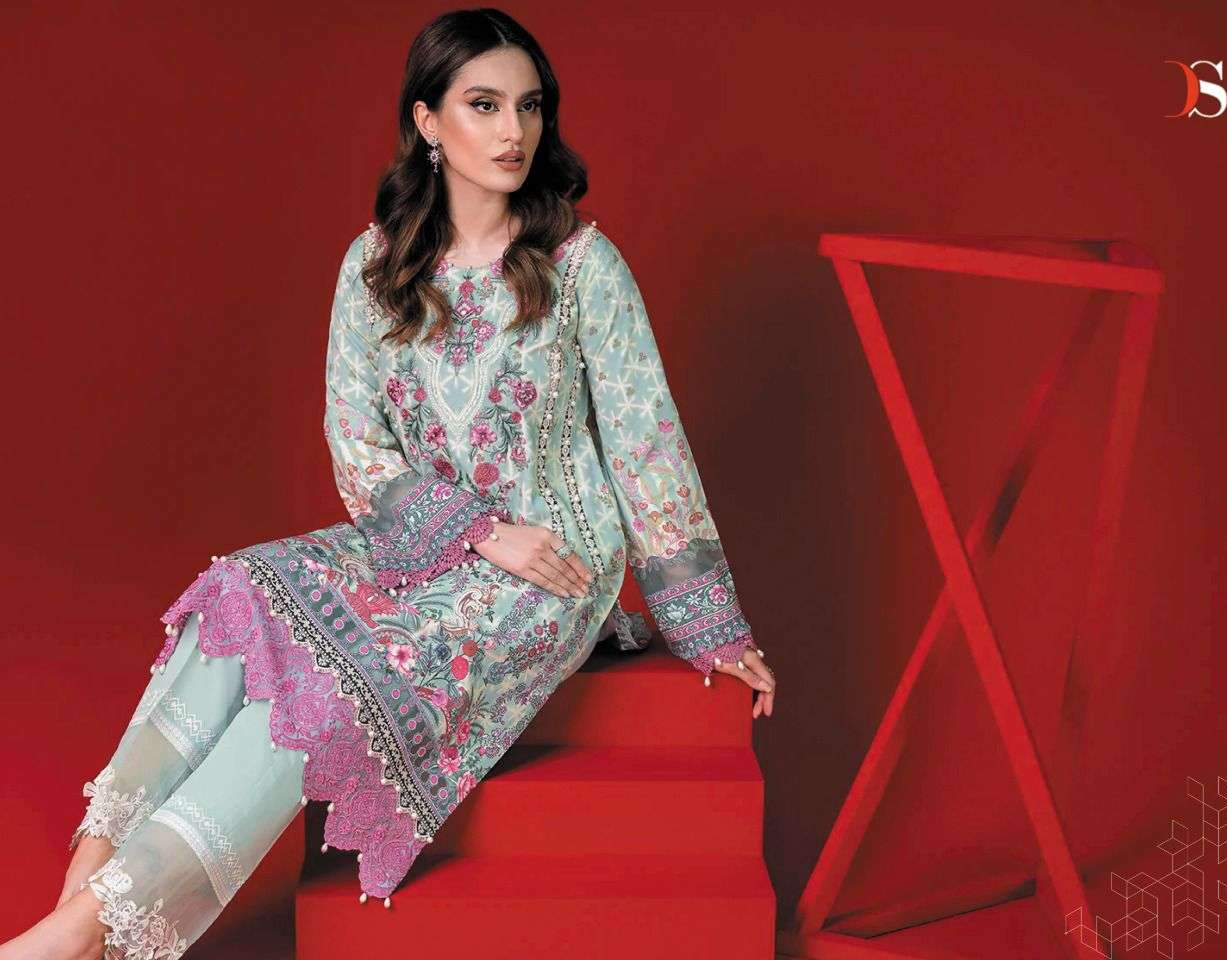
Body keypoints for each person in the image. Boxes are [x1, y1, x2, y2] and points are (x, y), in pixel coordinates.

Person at [0, 8, 776, 959]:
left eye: (529, 107)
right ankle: (81, 905)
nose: (513, 131)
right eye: (483, 105)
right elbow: (357, 447)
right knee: (231, 603)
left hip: (550, 566)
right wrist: (477, 530)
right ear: (427, 121)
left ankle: (78, 938)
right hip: (416, 543)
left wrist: (711, 626)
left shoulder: (580, 268)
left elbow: (646, 442)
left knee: (323, 697)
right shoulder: (375, 267)